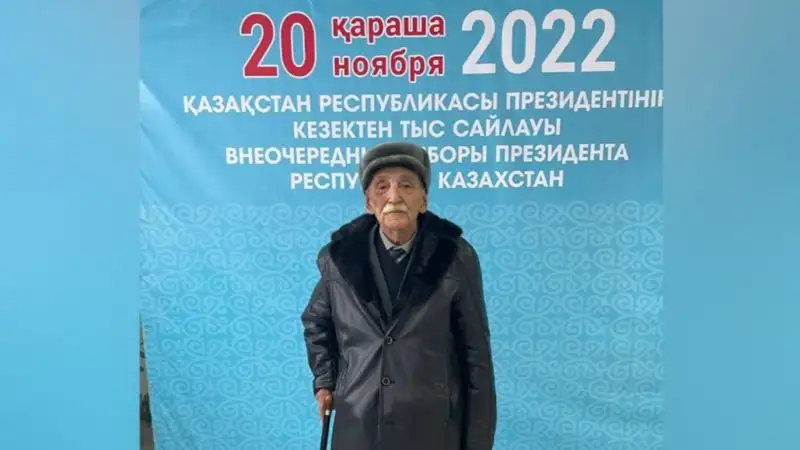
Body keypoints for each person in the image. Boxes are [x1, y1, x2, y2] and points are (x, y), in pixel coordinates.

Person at [300, 142, 497, 450]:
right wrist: (325, 381)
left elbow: (476, 354)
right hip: (358, 425)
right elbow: (316, 322)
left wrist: (478, 442)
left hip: (433, 428)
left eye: (406, 186)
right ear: (369, 202)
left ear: (423, 200)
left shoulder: (455, 257)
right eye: (382, 187)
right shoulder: (339, 259)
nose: (394, 197)